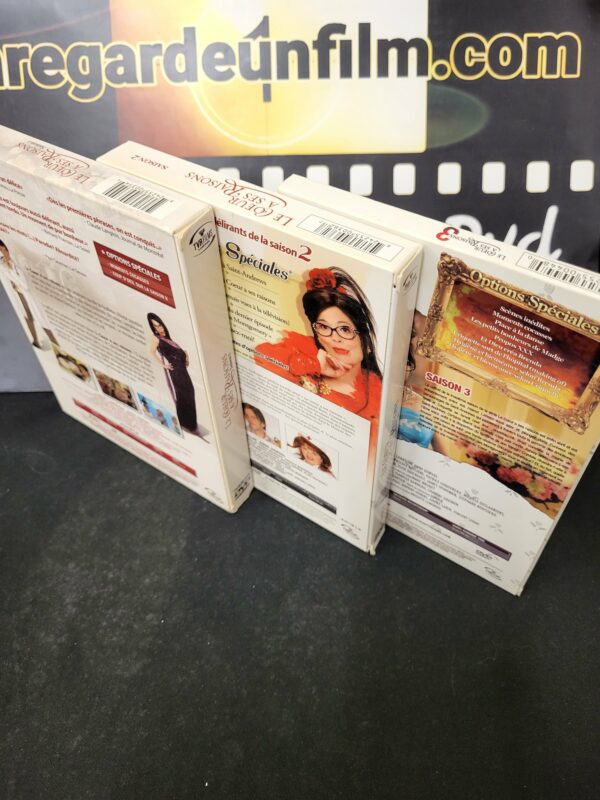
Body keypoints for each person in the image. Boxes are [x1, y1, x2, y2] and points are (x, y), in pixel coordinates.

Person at [255, 268, 382, 427]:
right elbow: (261, 356)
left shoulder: (378, 388)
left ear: (365, 338)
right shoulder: (305, 357)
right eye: (324, 327)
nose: (335, 338)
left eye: (345, 329)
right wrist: (315, 365)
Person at [0, 239, 58, 349]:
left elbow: (24, 283)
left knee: (41, 320)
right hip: (20, 293)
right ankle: (36, 341)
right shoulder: (3, 264)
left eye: (2, 250)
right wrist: (11, 274)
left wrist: (12, 271)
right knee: (28, 316)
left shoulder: (16, 260)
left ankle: (57, 347)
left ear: (4, 248)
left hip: (30, 293)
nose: (2, 254)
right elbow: (11, 279)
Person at [147, 312, 198, 434]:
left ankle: (190, 424)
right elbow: (151, 352)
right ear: (153, 328)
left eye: (159, 325)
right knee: (182, 395)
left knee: (190, 392)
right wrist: (163, 365)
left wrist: (186, 356)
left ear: (163, 324)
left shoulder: (169, 339)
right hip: (175, 372)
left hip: (183, 371)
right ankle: (185, 423)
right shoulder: (156, 338)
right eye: (155, 326)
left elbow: (184, 361)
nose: (159, 328)